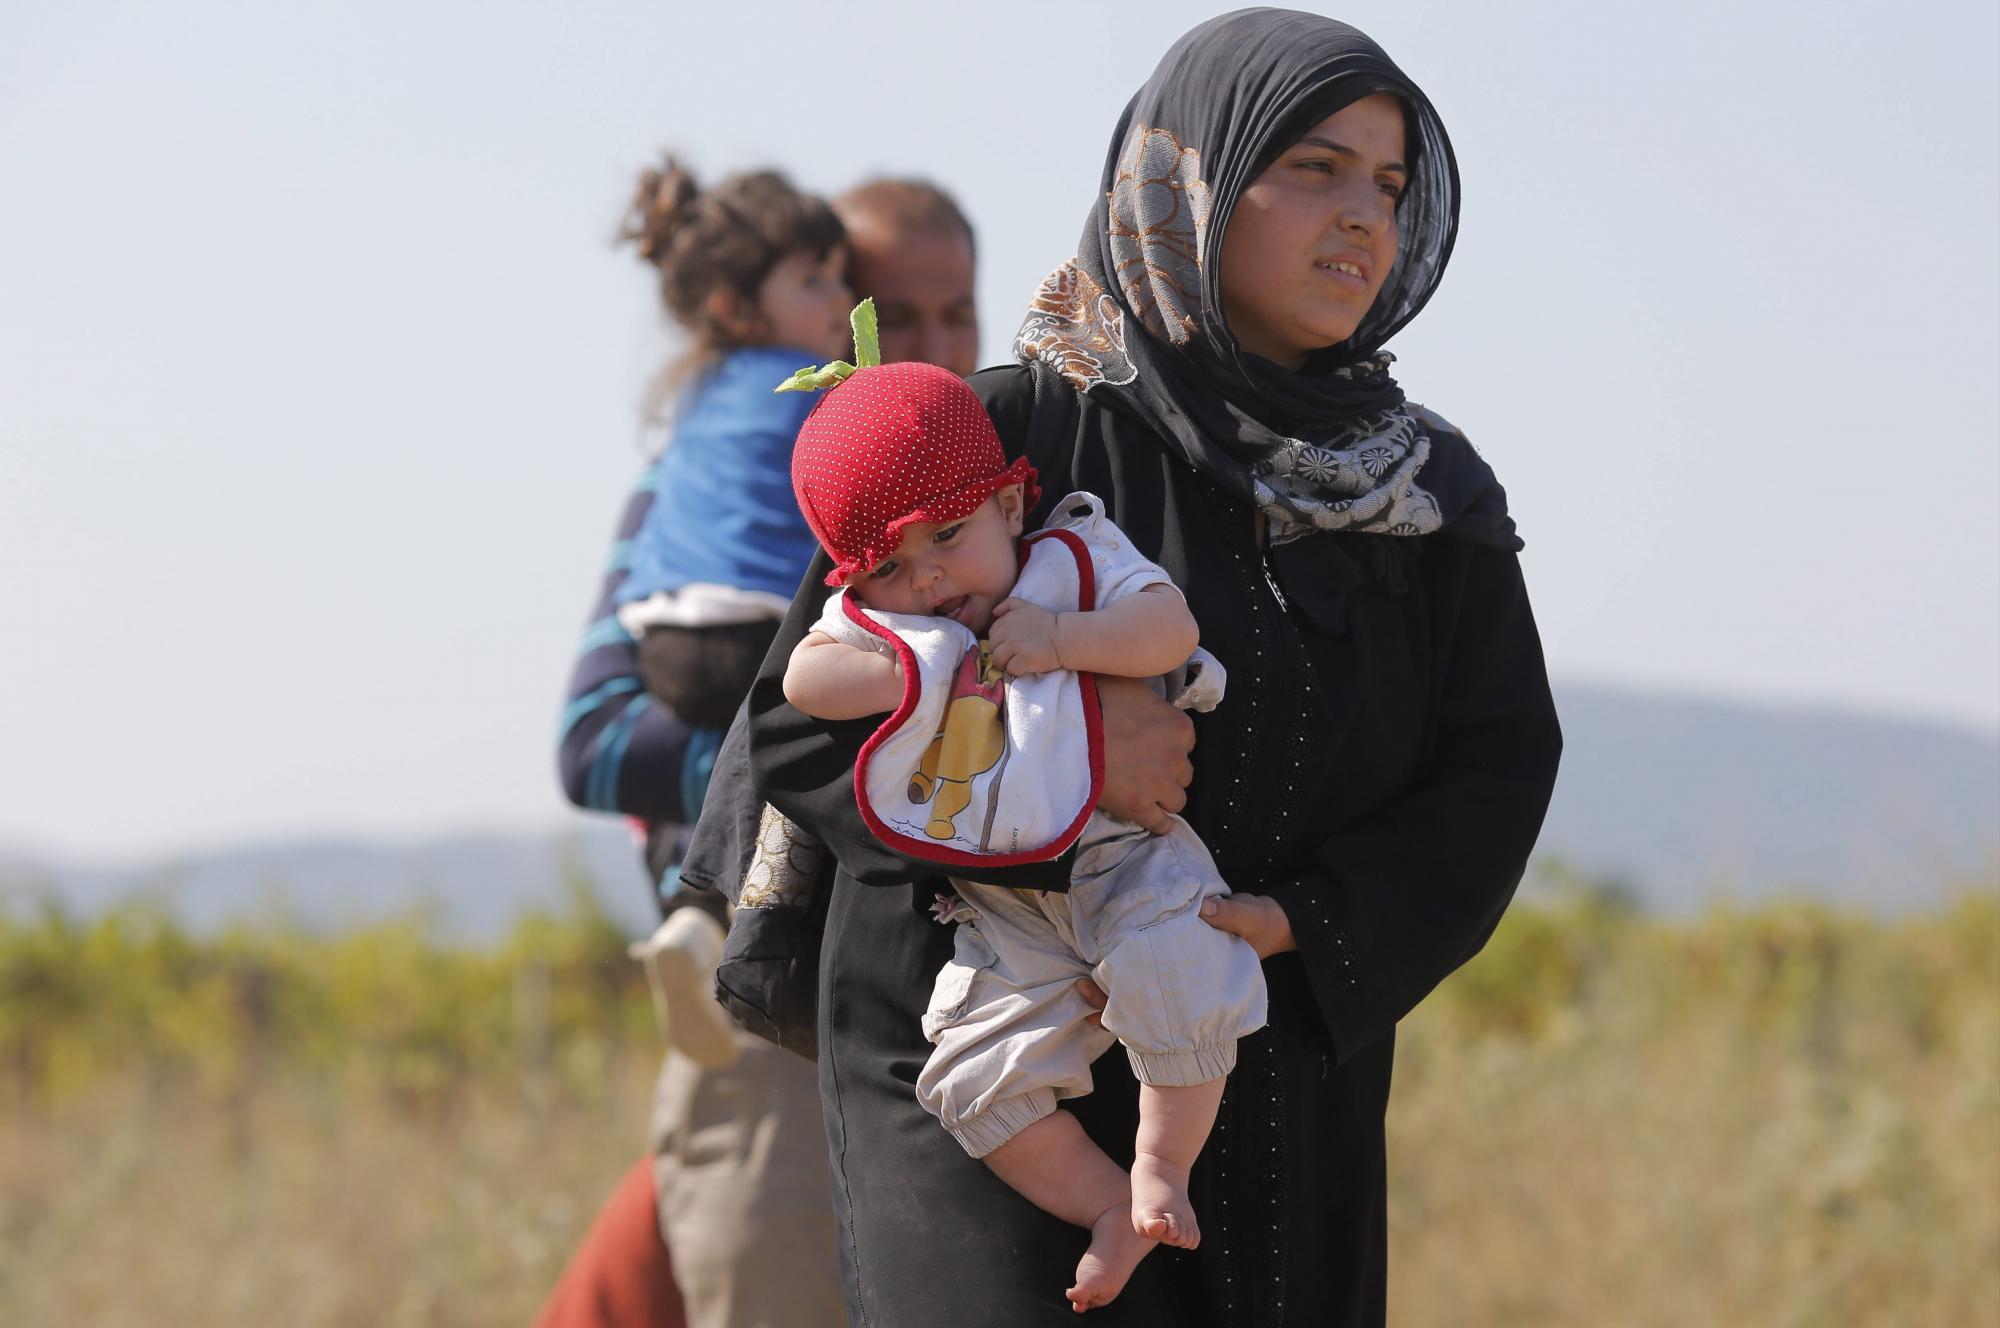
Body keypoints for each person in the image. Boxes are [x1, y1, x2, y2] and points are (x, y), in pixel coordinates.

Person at [681, 10, 1564, 1325]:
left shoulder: (1422, 498)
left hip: (1267, 1079)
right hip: (995, 1099)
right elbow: (800, 734)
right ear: (1184, 183)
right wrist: (1068, 773)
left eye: (1388, 184)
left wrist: (1303, 928)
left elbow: (1498, 763)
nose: (1362, 217)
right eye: (1313, 167)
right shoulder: (1003, 431)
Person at [540, 175, 984, 1327]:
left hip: (962, 1014)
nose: (926, 343)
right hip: (774, 1014)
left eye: (957, 312)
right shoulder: (709, 479)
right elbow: (593, 739)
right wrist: (835, 754)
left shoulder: (983, 483)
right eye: (892, 310)